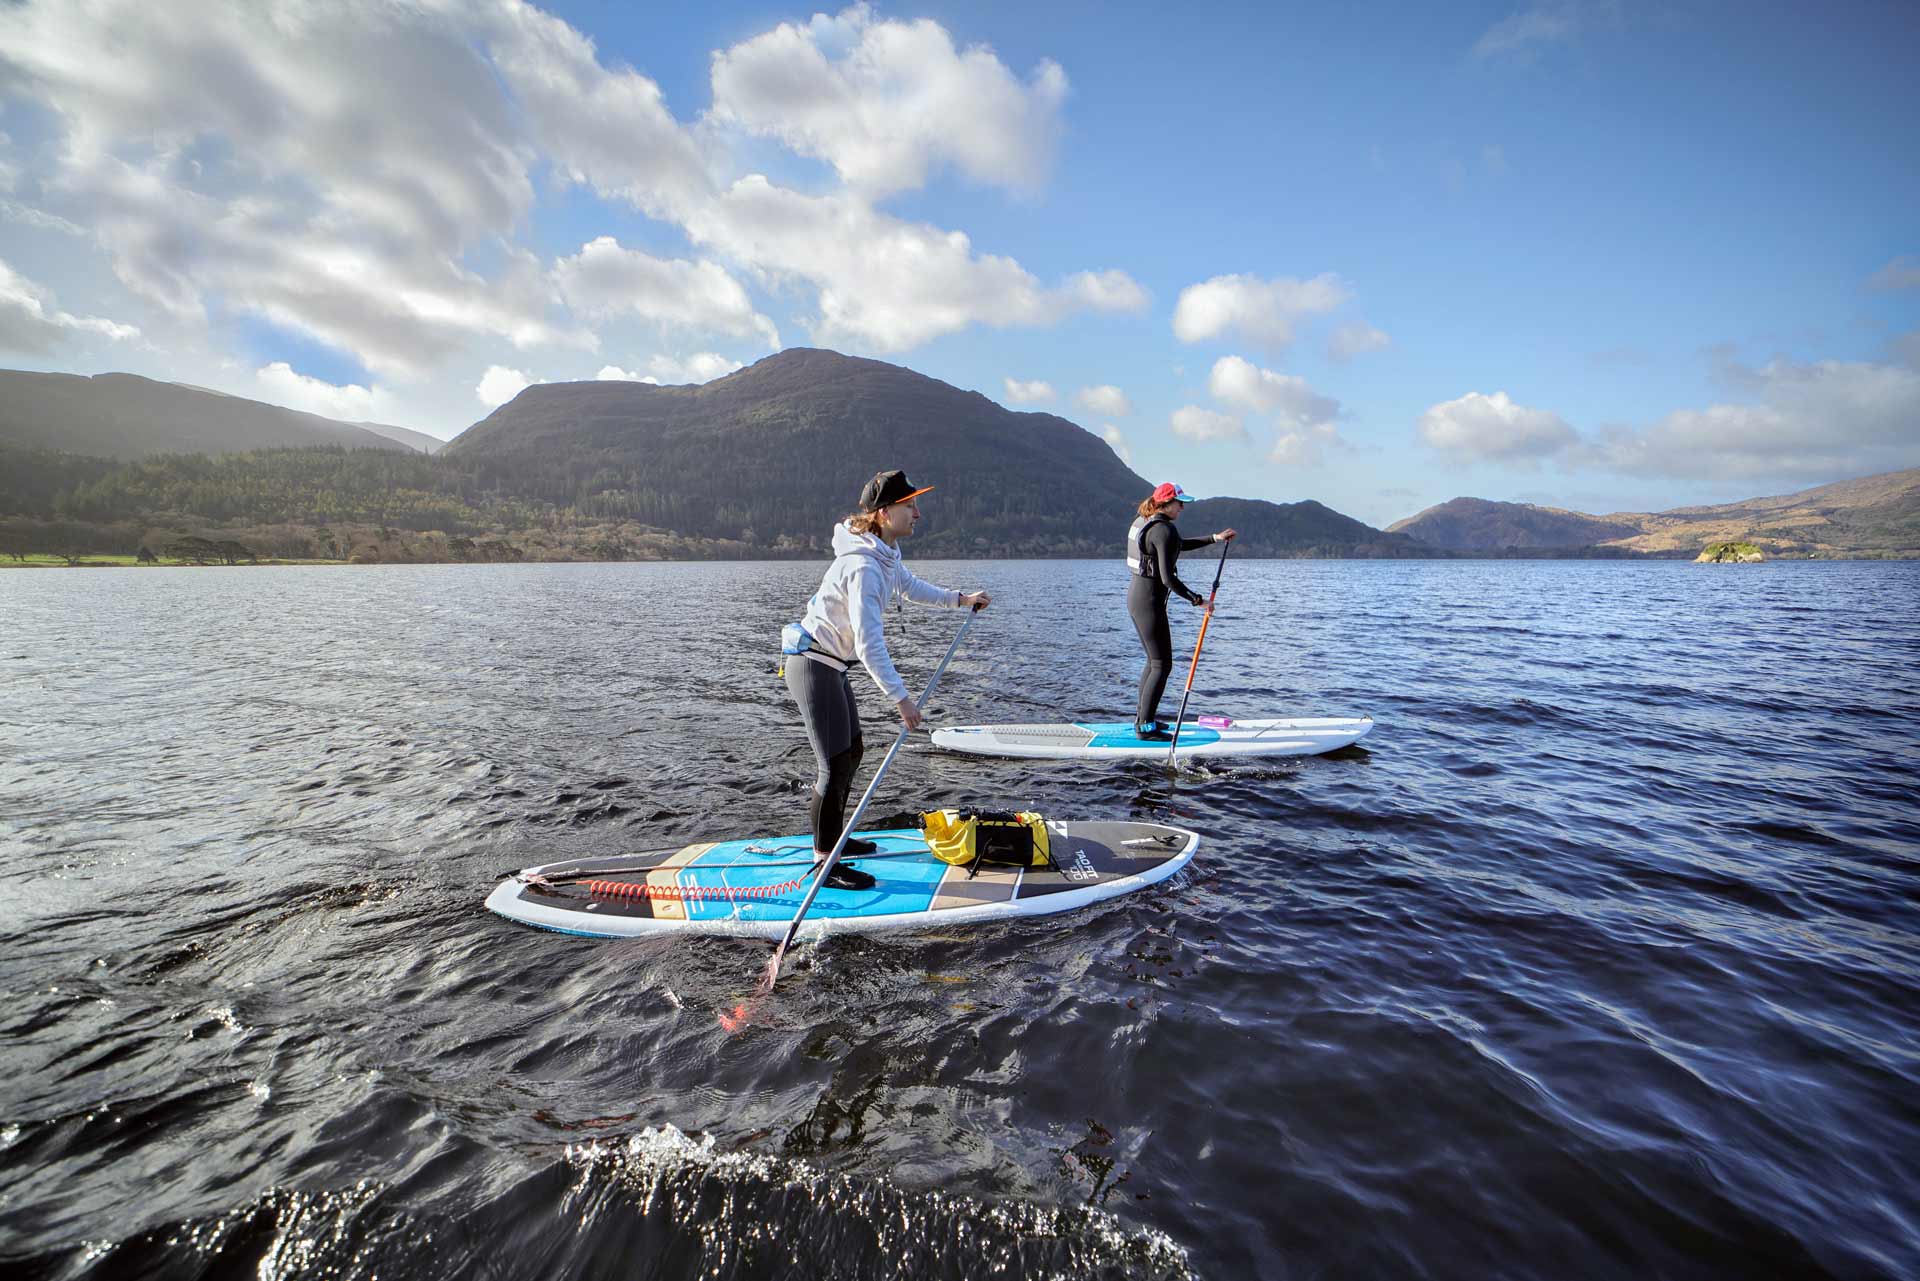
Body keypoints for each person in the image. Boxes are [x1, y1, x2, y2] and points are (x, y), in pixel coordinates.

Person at [782, 470, 991, 889]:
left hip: (832, 666)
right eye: (909, 505)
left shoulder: (884, 555)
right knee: (833, 763)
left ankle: (837, 840)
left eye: (916, 503)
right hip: (812, 665)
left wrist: (960, 600)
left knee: (852, 752)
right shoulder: (864, 567)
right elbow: (868, 644)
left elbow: (911, 587)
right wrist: (902, 699)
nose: (918, 512)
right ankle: (825, 862)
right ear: (883, 513)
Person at [1126, 482, 1234, 740]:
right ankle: (1145, 728)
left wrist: (1214, 538)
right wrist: (1198, 600)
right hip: (1149, 603)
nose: (1182, 508)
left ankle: (1143, 720)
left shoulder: (1150, 522)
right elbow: (1167, 579)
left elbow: (1178, 545)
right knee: (1162, 665)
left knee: (1154, 663)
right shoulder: (1163, 529)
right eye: (1179, 503)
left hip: (1138, 599)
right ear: (1165, 503)